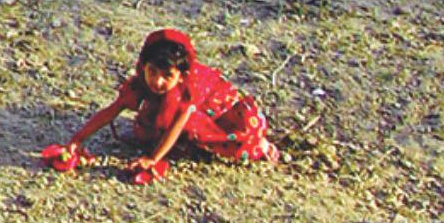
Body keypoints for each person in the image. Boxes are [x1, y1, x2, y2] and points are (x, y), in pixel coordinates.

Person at [42, 26, 275, 183]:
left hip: (213, 110)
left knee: (214, 132)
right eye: (152, 71)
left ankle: (262, 147)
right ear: (143, 66)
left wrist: (154, 159)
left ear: (180, 76)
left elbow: (178, 123)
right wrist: (77, 140)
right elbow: (111, 111)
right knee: (148, 128)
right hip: (174, 108)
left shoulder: (188, 89)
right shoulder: (141, 83)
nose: (157, 81)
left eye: (167, 75)